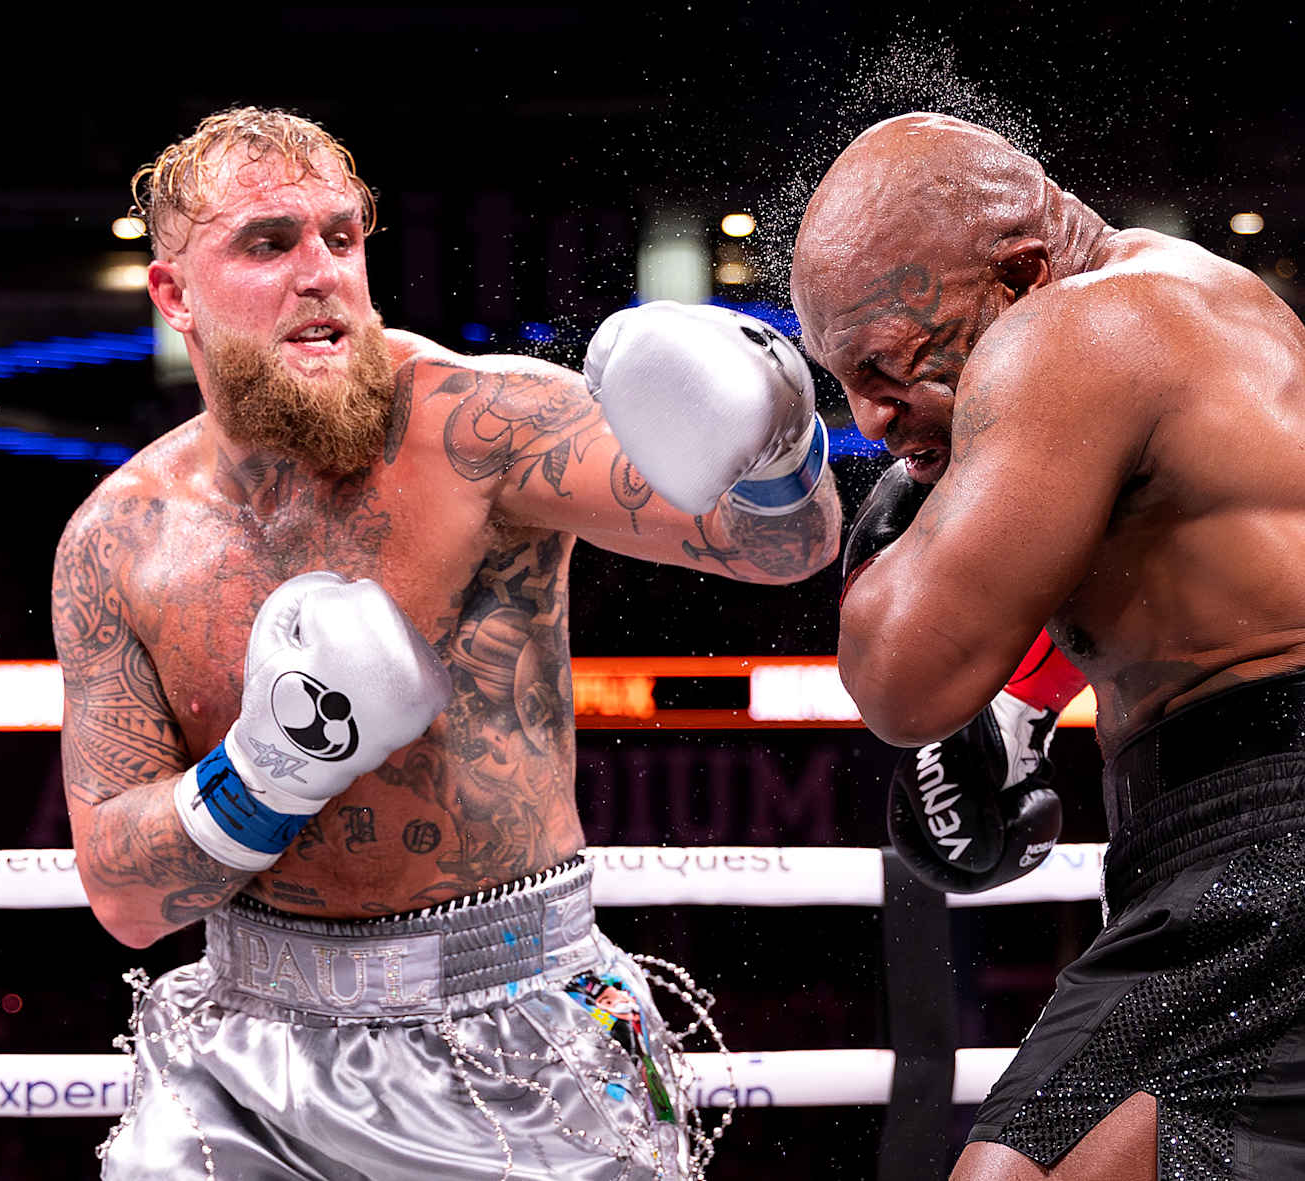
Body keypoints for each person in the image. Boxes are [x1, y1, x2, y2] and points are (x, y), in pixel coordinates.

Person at [51, 106, 840, 1181]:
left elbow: (783, 546)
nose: (320, 271)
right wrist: (265, 771)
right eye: (269, 242)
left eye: (341, 236)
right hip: (244, 1068)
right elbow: (124, 897)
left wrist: (774, 425)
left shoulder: (483, 426)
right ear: (175, 295)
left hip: (521, 1035)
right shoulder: (118, 539)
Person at [798, 113, 1305, 1181]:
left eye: (888, 369)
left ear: (1020, 273)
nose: (872, 419)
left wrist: (885, 541)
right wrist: (1018, 719)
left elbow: (903, 680)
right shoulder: (1199, 320)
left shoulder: (1074, 327)